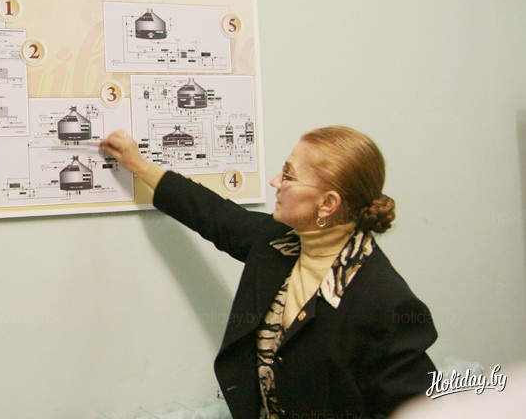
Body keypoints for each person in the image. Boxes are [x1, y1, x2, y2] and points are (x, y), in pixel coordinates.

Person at [100, 126, 437, 419]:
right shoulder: (278, 244)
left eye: (288, 175)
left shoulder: (384, 300)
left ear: (327, 204)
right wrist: (139, 165)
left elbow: (416, 409)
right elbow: (214, 215)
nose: (276, 181)